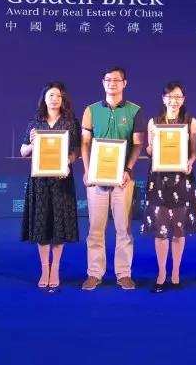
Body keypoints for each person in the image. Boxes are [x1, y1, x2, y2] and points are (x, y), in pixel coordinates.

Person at [81, 67, 145, 291]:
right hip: (96, 179)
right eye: (108, 80)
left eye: (117, 80)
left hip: (123, 179)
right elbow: (85, 143)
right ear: (103, 82)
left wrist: (127, 169)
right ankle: (94, 273)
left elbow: (138, 144)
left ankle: (124, 274)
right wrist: (88, 171)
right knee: (95, 229)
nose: (112, 83)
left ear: (125, 83)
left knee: (123, 229)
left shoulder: (135, 111)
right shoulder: (91, 110)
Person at [141, 81, 196, 293]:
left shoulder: (191, 122)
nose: (173, 101)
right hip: (158, 179)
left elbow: (193, 153)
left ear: (183, 99)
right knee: (161, 230)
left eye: (177, 97)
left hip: (182, 179)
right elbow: (149, 150)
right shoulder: (154, 122)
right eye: (169, 97)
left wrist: (190, 162)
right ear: (163, 99)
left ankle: (175, 272)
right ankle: (161, 273)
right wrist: (151, 147)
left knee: (178, 229)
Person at [20, 81, 80, 288]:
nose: (54, 99)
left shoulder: (71, 122)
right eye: (51, 95)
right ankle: (45, 269)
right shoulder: (35, 123)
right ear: (44, 99)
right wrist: (32, 143)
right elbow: (23, 152)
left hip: (62, 181)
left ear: (63, 100)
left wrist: (68, 162)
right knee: (41, 226)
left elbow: (77, 151)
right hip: (40, 182)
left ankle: (55, 269)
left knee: (59, 226)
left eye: (58, 96)